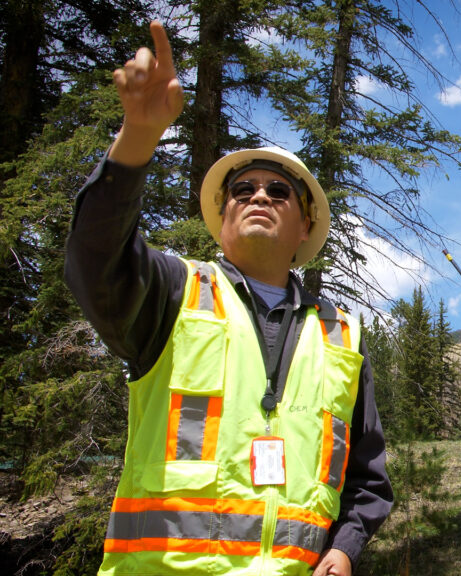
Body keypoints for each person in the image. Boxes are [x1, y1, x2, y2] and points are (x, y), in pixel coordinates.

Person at [64, 21, 392, 576]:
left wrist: (346, 545)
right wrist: (137, 138)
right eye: (243, 190)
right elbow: (93, 260)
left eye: (277, 190)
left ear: (306, 222)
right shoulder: (173, 293)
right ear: (223, 221)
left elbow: (366, 480)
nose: (259, 195)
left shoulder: (340, 339)